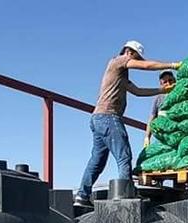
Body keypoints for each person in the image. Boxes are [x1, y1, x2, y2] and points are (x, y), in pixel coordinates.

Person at [77, 41, 180, 206]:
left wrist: (162, 91)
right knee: (124, 156)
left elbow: (138, 92)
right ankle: (125, 197)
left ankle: (82, 196)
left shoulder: (120, 76)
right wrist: (173, 65)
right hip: (109, 117)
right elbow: (146, 66)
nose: (135, 60)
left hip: (98, 119)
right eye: (135, 56)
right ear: (128, 51)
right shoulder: (118, 61)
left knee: (97, 161)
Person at [143, 71, 177, 147]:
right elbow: (152, 118)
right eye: (165, 82)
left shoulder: (181, 93)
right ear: (161, 85)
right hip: (163, 134)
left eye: (170, 80)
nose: (168, 83)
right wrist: (147, 137)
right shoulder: (159, 98)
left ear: (175, 80)